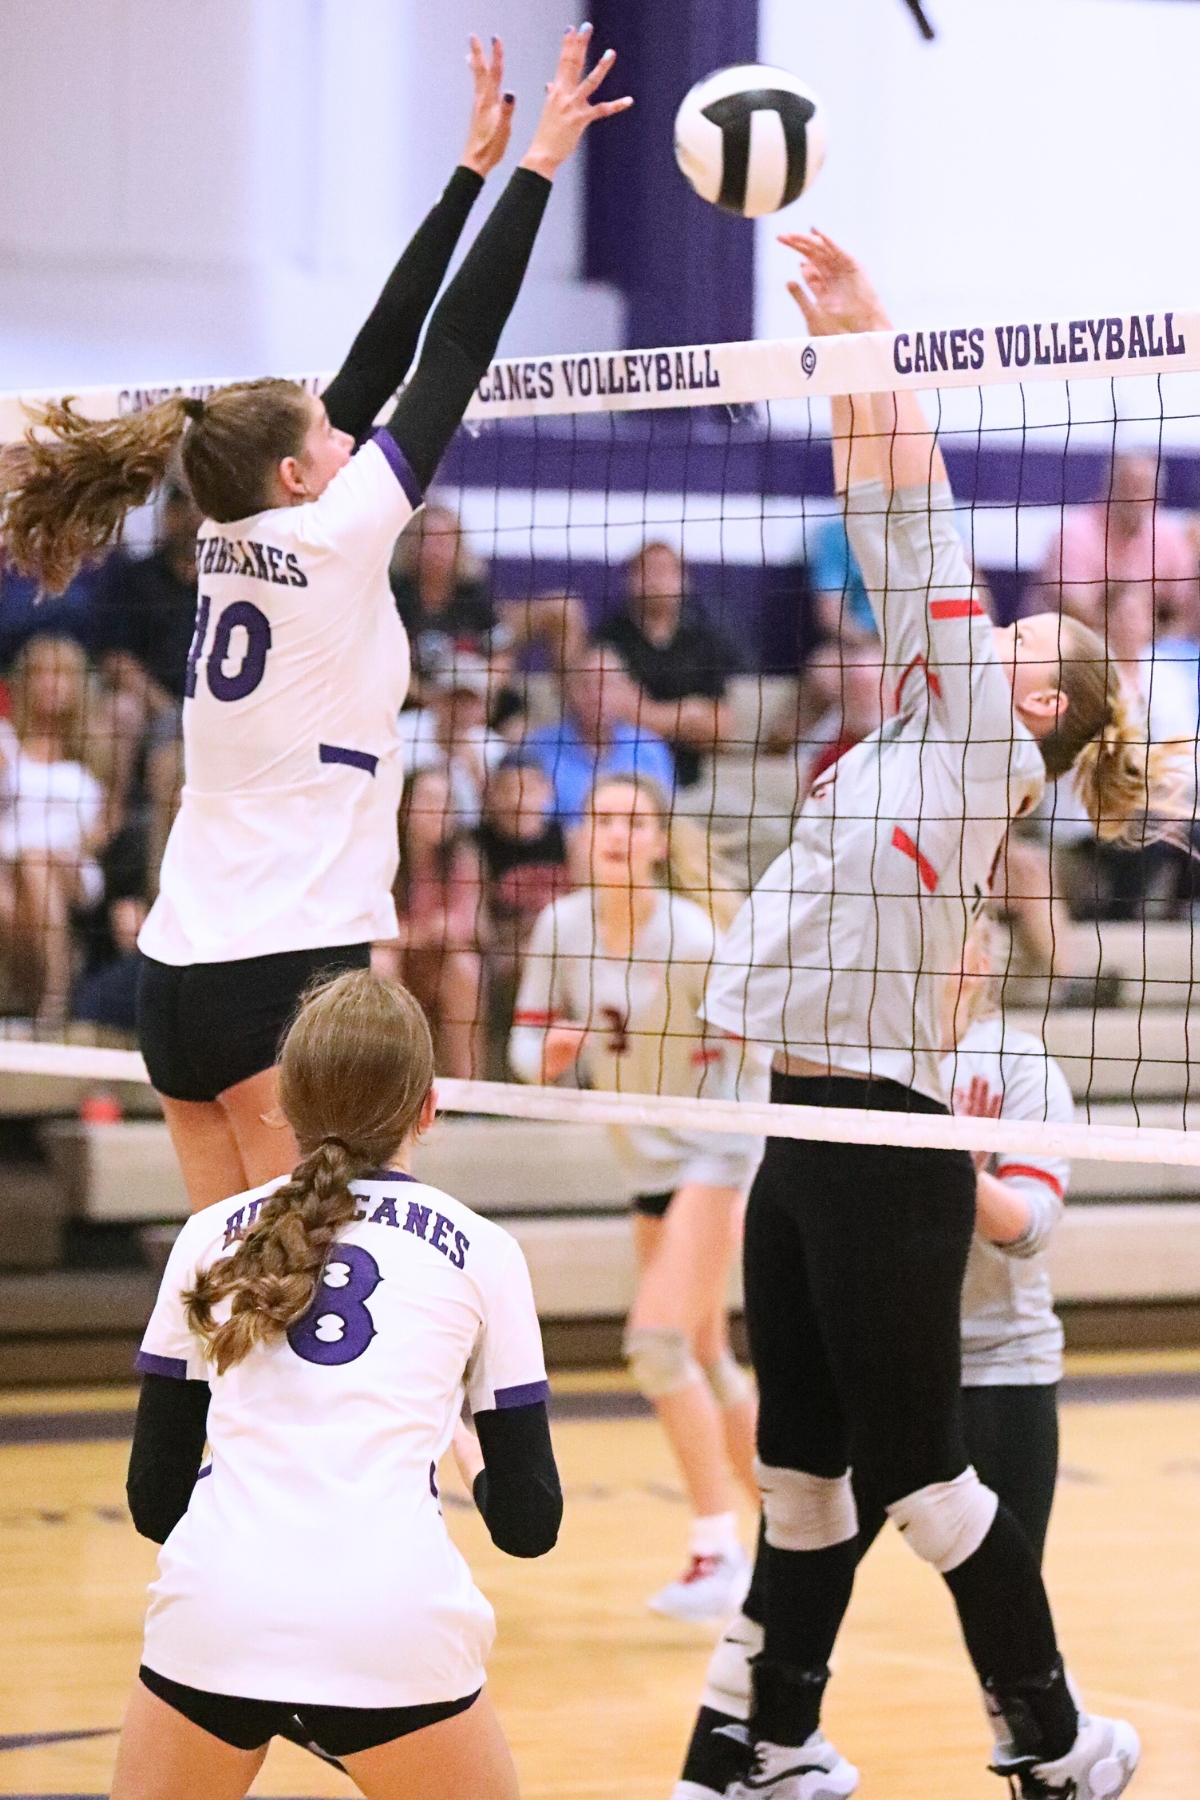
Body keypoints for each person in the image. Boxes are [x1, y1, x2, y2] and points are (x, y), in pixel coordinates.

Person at [0, 29, 631, 1211]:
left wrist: (463, 176)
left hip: (179, 982)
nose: (352, 436)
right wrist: (539, 163)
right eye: (332, 435)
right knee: (319, 1299)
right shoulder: (337, 533)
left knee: (214, 1310)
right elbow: (446, 351)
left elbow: (378, 355)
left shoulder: (233, 532)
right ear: (299, 474)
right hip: (288, 979)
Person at [697, 229, 1169, 1798]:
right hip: (800, 1118)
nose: (1005, 625)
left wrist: (880, 338)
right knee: (801, 1472)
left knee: (916, 1470)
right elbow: (881, 513)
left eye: (1030, 637)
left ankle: (1052, 1739)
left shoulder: (984, 743)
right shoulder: (929, 716)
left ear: (1042, 699)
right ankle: (759, 1746)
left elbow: (921, 522)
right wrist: (841, 364)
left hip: (884, 1133)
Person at [117, 969, 560, 1800]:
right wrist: (461, 1446)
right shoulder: (484, 1250)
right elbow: (530, 1524)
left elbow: (153, 1499)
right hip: (392, 1627)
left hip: (215, 1616)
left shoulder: (209, 1235)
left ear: (283, 1101)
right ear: (428, 1108)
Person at [673, 916, 1078, 1799]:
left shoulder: (1017, 1065)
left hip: (996, 1363)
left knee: (999, 1611)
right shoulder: (846, 1057)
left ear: (981, 959)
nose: (940, 948)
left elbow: (1034, 1226)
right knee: (787, 1578)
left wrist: (934, 1173)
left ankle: (1055, 1768)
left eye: (960, 935)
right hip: (869, 1362)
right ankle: (721, 1769)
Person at [510, 774, 765, 1622]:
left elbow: (750, 1053)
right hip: (644, 1160)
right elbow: (523, 1039)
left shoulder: (693, 940)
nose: (615, 834)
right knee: (706, 1353)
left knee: (655, 1346)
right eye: (601, 820)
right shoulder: (562, 926)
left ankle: (714, 1548)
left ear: (658, 842)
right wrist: (546, 1056)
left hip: (715, 1149)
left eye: (633, 822)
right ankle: (799, 1534)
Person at [0, 635, 113, 1023]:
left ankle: (52, 1005)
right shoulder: (6, 742)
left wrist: (75, 849)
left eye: (61, 674)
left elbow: (102, 830)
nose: (50, 683)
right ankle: (31, 1003)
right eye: (41, 674)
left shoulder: (95, 749)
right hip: (7, 860)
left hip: (71, 864)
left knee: (37, 862)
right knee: (13, 886)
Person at [375, 767, 485, 1080]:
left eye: (447, 801)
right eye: (431, 799)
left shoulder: (463, 856)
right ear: (406, 806)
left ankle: (467, 1091)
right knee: (380, 962)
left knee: (466, 967)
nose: (440, 809)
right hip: (399, 962)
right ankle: (390, 1086)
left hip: (439, 963)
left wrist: (420, 933)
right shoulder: (384, 855)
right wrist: (425, 932)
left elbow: (469, 926)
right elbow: (374, 928)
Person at [597, 541, 735, 787]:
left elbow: (721, 729)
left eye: (665, 570)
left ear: (683, 580)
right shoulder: (609, 639)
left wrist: (647, 714)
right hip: (625, 777)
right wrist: (689, 712)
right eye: (647, 570)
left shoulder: (702, 640)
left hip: (691, 784)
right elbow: (612, 713)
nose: (656, 579)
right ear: (631, 580)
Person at [1037, 446, 1199, 642]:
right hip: (1080, 646)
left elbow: (1184, 612)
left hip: (1150, 651)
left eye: (1143, 488)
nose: (1135, 497)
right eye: (1129, 486)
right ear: (1109, 487)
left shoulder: (1169, 539)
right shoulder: (1076, 534)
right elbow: (1074, 612)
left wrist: (1144, 636)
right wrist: (1129, 629)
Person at [520, 643, 675, 826]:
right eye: (587, 685)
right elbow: (533, 826)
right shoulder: (537, 749)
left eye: (607, 685)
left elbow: (663, 821)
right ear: (570, 691)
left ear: (626, 690)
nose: (597, 695)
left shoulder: (649, 749)